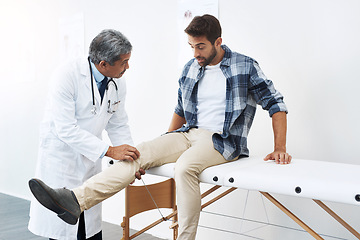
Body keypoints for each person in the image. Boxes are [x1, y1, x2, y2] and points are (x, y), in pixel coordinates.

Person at [29, 15, 292, 240]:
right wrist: (160, 147)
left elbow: (275, 104)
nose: (195, 53)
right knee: (140, 152)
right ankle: (74, 200)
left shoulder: (245, 66)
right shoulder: (191, 68)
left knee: (185, 167)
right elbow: (180, 110)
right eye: (191, 47)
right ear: (103, 64)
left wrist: (279, 147)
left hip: (223, 140)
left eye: (200, 46)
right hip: (187, 134)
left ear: (218, 42)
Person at [28, 29, 141, 240]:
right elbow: (66, 129)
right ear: (104, 63)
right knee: (64, 229)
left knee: (89, 230)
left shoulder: (117, 81)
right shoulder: (66, 76)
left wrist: (130, 159)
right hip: (62, 159)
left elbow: (118, 123)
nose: (128, 67)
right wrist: (109, 151)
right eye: (124, 62)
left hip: (89, 160)